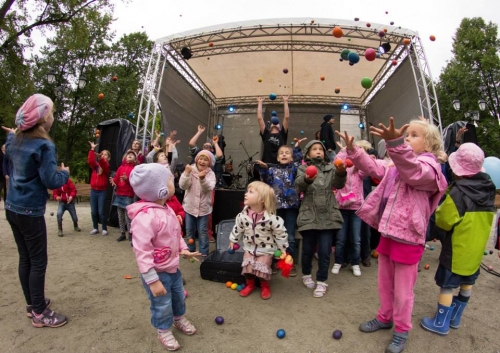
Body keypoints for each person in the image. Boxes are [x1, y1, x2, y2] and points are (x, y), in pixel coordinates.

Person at [336, 117, 448, 353]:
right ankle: (385, 317)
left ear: (429, 145)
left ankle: (402, 330)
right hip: (389, 233)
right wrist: (353, 151)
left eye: (414, 135)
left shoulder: (430, 168)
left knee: (403, 292)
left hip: (409, 238)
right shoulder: (398, 163)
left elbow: (413, 173)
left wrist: (395, 142)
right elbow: (375, 167)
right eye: (406, 135)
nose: (407, 138)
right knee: (385, 284)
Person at [2, 94, 70, 327]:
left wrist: (11, 135)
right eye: (50, 112)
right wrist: (66, 173)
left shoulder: (15, 140)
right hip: (30, 211)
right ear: (42, 119)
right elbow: (51, 180)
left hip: (11, 207)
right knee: (38, 261)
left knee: (26, 258)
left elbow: (8, 156)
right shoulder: (44, 145)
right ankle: (41, 313)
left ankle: (33, 304)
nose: (52, 116)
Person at [420, 143, 496, 336]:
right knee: (467, 282)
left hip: (456, 249)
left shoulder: (458, 193)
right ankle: (455, 318)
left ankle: (440, 322)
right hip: (476, 248)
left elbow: (444, 221)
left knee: (447, 286)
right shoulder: (489, 190)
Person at [127, 163, 201, 351]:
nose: (173, 181)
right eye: (169, 180)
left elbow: (175, 235)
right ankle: (163, 329)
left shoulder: (167, 209)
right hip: (156, 274)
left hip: (173, 268)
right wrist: (152, 280)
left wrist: (183, 249)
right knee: (162, 304)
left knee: (177, 298)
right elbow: (142, 252)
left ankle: (178, 319)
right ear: (159, 190)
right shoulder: (145, 218)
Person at [295, 140, 346, 298]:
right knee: (308, 250)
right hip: (309, 214)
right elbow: (299, 186)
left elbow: (338, 185)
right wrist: (307, 179)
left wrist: (341, 172)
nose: (318, 151)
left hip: (328, 215)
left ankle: (322, 281)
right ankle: (306, 274)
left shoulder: (331, 168)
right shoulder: (302, 168)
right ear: (307, 153)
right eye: (314, 149)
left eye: (320, 149)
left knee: (324, 252)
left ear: (324, 153)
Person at [229, 181, 289, 299]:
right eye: (247, 191)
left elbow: (280, 233)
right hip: (249, 248)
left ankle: (265, 286)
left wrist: (282, 248)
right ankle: (250, 285)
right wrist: (233, 240)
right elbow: (238, 228)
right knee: (248, 270)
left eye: (251, 192)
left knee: (263, 270)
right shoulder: (242, 216)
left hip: (266, 249)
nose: (246, 194)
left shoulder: (272, 219)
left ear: (262, 199)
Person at [256, 140, 305, 276]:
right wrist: (264, 168)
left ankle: (289, 263)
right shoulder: (272, 170)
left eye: (287, 153)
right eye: (281, 153)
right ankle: (275, 261)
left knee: (289, 236)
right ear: (277, 157)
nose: (284, 155)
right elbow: (265, 180)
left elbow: (298, 160)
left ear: (291, 157)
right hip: (275, 207)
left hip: (291, 207)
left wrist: (296, 149)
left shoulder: (294, 169)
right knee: (274, 235)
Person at [331, 141, 373, 277]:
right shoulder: (341, 170)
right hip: (342, 208)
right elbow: (336, 162)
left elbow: (367, 168)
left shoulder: (359, 171)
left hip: (356, 209)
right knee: (341, 238)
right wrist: (344, 150)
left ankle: (355, 263)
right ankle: (338, 261)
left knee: (356, 238)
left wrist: (357, 157)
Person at [179, 150, 216, 257]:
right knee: (189, 231)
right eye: (201, 158)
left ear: (209, 163)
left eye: (206, 160)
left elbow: (208, 188)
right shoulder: (190, 170)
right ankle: (190, 251)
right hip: (189, 207)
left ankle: (204, 254)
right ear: (197, 160)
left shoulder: (211, 174)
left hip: (203, 209)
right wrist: (186, 173)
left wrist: (203, 178)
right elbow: (182, 186)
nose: (202, 161)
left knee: (202, 232)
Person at [110, 150, 137, 242]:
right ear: (125, 157)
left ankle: (130, 233)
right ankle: (122, 233)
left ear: (135, 159)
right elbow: (117, 178)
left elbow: (135, 182)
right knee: (120, 215)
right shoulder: (120, 168)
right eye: (128, 154)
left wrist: (127, 179)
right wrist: (114, 181)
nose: (130, 155)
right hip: (119, 194)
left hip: (128, 195)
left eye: (132, 155)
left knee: (128, 216)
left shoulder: (135, 169)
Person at [256, 96, 289, 164]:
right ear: (269, 126)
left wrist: (285, 101)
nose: (274, 123)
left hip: (280, 165)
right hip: (267, 165)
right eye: (272, 123)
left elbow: (286, 117)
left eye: (277, 123)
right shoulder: (266, 134)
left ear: (280, 127)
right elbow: (259, 118)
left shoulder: (282, 134)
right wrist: (260, 102)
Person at [87, 141, 111, 235]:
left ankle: (104, 228)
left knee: (101, 212)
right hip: (93, 191)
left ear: (108, 158)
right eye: (102, 154)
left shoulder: (106, 166)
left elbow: (104, 165)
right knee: (93, 211)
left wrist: (101, 159)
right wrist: (92, 149)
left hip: (102, 192)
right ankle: (95, 227)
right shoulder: (95, 167)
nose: (103, 155)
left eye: (106, 155)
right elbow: (90, 160)